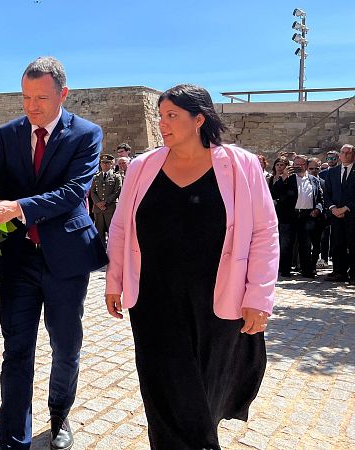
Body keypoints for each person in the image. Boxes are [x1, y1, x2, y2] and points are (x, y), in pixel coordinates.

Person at [104, 84, 278, 449]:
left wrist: (259, 297)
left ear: (199, 120)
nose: (162, 124)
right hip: (153, 300)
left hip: (217, 301)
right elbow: (121, 227)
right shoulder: (141, 168)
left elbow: (264, 232)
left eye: (172, 116)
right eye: (160, 116)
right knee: (161, 394)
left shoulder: (241, 165)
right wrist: (114, 281)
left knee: (204, 395)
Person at [0, 56, 107, 450]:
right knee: (16, 350)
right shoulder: (8, 134)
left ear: (63, 94)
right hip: (19, 258)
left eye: (41, 98)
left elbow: (72, 193)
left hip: (66, 259)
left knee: (66, 346)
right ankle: (14, 440)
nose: (31, 106)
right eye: (26, 97)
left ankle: (60, 415)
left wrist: (17, 208)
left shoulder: (87, 134)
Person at [270, 154, 323, 278]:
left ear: (306, 165)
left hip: (307, 215)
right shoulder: (288, 178)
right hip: (289, 215)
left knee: (306, 244)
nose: (298, 166)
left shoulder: (313, 180)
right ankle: (285, 270)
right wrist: (283, 177)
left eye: (301, 164)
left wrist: (318, 209)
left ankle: (306, 270)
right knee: (286, 244)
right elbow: (274, 193)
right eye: (296, 164)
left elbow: (320, 198)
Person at [323, 144, 355, 284]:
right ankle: (339, 272)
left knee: (353, 244)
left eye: (348, 153)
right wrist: (333, 208)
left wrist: (346, 208)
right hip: (336, 215)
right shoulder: (332, 172)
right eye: (343, 152)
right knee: (337, 244)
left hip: (352, 214)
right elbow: (327, 193)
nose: (345, 155)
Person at [89, 154, 122, 244]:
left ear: (111, 164)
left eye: (107, 163)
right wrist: (98, 203)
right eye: (103, 163)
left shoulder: (116, 176)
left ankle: (113, 249)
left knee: (112, 231)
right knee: (99, 231)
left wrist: (105, 202)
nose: (104, 164)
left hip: (110, 207)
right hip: (98, 208)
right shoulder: (96, 177)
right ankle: (101, 250)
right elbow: (93, 192)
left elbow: (117, 191)